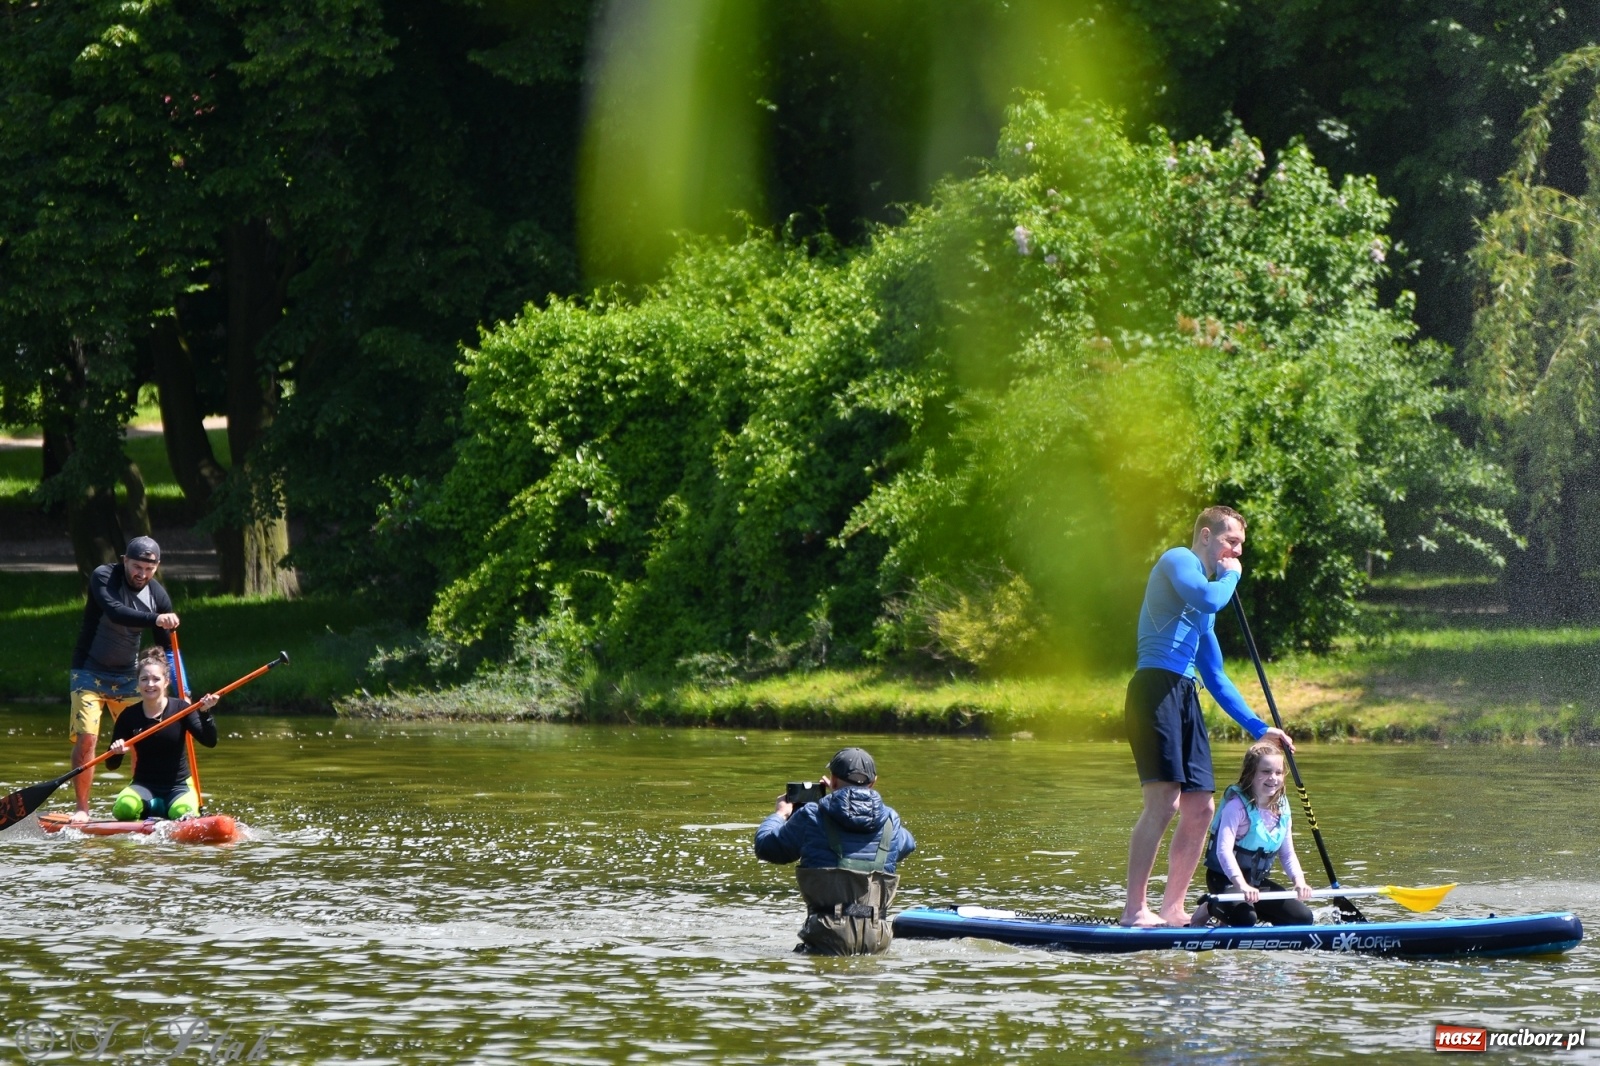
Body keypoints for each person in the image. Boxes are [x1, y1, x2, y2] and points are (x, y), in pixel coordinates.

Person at [1119, 506, 1294, 928]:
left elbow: (1214, 675)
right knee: (1164, 803)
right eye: (1230, 542)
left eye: (1240, 546)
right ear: (1204, 536)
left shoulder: (1206, 608)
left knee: (1200, 809)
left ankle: (1172, 909)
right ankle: (1133, 911)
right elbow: (1206, 595)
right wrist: (1232, 576)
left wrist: (1258, 727)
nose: (1236, 552)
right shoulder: (1178, 560)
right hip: (1154, 689)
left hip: (1185, 694)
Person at [753, 747, 916, 955]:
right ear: (873, 783)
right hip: (876, 939)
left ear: (833, 780)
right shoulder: (890, 820)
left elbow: (766, 848)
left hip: (826, 938)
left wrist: (780, 814)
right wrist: (845, 799)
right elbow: (908, 844)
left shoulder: (812, 814)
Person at [67, 536, 181, 821]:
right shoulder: (104, 577)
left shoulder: (158, 596)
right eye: (136, 566)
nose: (141, 574)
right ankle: (82, 809)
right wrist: (155, 619)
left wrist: (181, 691)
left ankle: (140, 802)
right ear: (125, 561)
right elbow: (115, 612)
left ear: (156, 568)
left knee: (142, 740)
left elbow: (168, 651)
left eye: (148, 569)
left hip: (128, 677)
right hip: (88, 671)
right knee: (88, 739)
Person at [1190, 741, 1314, 927]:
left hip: (1255, 883)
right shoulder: (1236, 807)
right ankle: (1209, 907)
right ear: (1251, 774)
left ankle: (1244, 909)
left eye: (1278, 772)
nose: (1273, 778)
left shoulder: (1282, 807)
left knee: (1302, 918)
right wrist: (1241, 885)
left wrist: (1299, 882)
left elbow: (1287, 854)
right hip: (1225, 879)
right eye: (1265, 772)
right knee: (1245, 919)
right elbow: (1223, 851)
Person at [103, 647, 219, 820]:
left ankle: (177, 813)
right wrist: (115, 752)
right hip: (144, 785)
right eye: (144, 679)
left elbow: (210, 741)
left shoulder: (181, 709)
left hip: (178, 787)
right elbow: (111, 765)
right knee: (124, 809)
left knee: (182, 814)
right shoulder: (128, 715)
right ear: (138, 683)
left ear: (166, 682)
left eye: (156, 679)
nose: (150, 684)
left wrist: (205, 713)